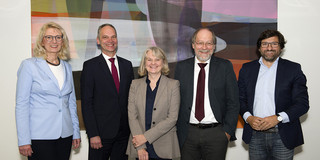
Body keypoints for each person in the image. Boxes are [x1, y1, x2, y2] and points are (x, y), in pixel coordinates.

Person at [238, 29, 309, 160]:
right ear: (259, 47)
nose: (269, 47)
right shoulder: (247, 69)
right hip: (255, 135)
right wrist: (248, 118)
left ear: (281, 47)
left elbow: (302, 104)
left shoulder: (293, 69)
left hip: (283, 135)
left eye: (274, 44)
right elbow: (239, 100)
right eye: (265, 44)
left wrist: (278, 118)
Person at [15, 22, 81, 160]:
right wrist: (24, 140)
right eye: (49, 37)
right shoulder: (29, 66)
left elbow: (71, 104)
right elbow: (22, 104)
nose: (54, 41)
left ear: (63, 41)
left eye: (58, 37)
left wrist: (75, 132)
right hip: (39, 136)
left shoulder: (67, 68)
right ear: (42, 41)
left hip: (65, 134)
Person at [175, 27, 240, 160]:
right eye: (200, 43)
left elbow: (233, 102)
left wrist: (226, 132)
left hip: (216, 134)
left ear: (214, 46)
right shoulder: (181, 67)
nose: (204, 47)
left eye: (209, 43)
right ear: (193, 45)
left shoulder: (225, 66)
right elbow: (175, 101)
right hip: (187, 134)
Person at [81, 23, 134, 160]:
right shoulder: (90, 66)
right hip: (100, 135)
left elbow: (131, 100)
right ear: (98, 41)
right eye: (105, 37)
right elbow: (87, 103)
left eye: (113, 37)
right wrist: (93, 134)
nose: (110, 41)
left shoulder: (127, 65)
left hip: (124, 134)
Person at [126, 47, 180, 160]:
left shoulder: (173, 85)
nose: (153, 63)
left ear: (163, 62)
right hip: (139, 148)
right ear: (144, 63)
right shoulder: (135, 85)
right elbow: (132, 117)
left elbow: (172, 118)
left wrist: (145, 137)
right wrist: (140, 145)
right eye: (149, 59)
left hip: (165, 147)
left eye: (157, 59)